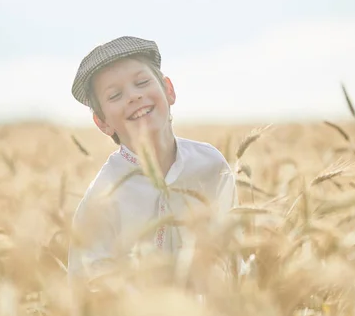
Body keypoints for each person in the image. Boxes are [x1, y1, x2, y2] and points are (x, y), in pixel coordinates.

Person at [67, 36, 239, 283]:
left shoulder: (210, 165)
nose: (133, 96)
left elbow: (233, 252)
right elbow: (88, 283)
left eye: (142, 82)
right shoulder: (102, 198)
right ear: (102, 122)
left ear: (169, 90)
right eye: (115, 96)